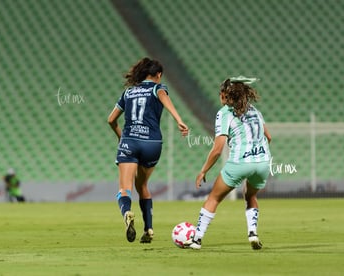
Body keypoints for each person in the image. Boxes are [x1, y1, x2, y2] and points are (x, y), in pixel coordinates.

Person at [184, 76, 272, 250]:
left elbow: (217, 149)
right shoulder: (254, 110)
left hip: (240, 162)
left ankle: (197, 239)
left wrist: (203, 171)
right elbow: (268, 137)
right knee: (251, 195)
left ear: (225, 95)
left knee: (214, 198)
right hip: (262, 162)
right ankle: (253, 233)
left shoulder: (225, 113)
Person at [107, 57, 189, 243]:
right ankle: (149, 229)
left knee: (125, 189)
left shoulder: (128, 92)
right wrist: (179, 120)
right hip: (152, 144)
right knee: (142, 186)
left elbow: (111, 120)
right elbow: (163, 96)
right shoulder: (157, 88)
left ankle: (127, 212)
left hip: (130, 141)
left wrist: (121, 136)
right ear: (158, 75)